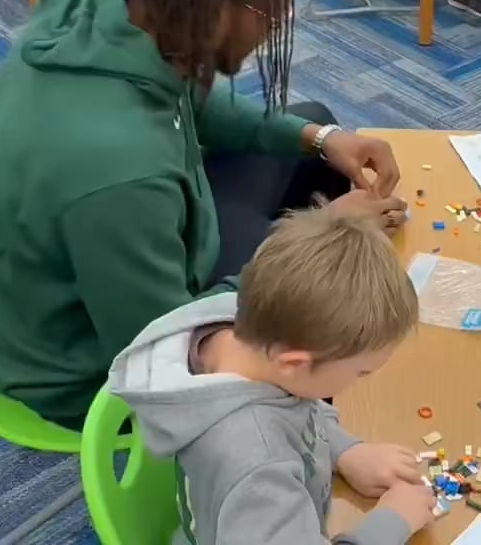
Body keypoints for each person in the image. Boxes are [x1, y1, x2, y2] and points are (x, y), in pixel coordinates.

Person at [0, 0, 408, 430]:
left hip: (99, 263)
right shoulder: (119, 173)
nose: (273, 29)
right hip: (87, 369)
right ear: (217, 13)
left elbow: (186, 100)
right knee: (320, 306)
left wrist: (321, 137)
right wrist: (323, 237)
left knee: (312, 135)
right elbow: (164, 347)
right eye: (269, 15)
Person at [110, 209, 434, 545]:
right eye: (361, 372)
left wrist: (345, 451)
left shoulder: (235, 330)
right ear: (294, 363)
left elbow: (296, 404)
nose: (361, 381)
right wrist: (392, 522)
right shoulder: (258, 464)